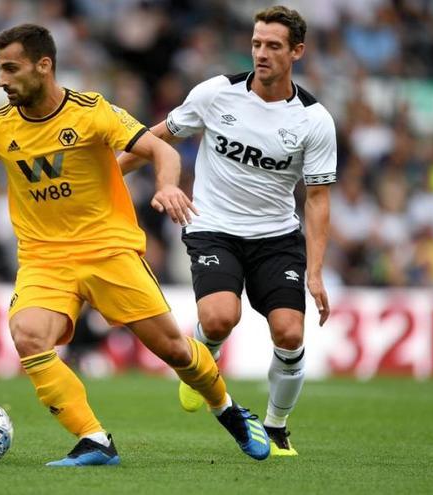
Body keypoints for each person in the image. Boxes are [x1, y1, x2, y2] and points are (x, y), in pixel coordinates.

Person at [0, 24, 270, 466]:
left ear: (44, 66)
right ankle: (95, 440)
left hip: (108, 251)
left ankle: (229, 411)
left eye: (11, 69)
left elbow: (162, 151)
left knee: (175, 350)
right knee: (28, 336)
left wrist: (165, 186)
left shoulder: (91, 111)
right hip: (44, 260)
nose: (1, 80)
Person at [118, 6, 336, 457]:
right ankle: (203, 357)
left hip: (276, 237)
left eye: (273, 46)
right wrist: (105, 179)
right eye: (257, 43)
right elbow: (155, 139)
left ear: (297, 51)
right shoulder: (217, 94)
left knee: (290, 333)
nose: (261, 53)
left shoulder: (314, 121)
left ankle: (276, 428)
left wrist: (315, 272)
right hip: (213, 226)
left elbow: (317, 199)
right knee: (219, 318)